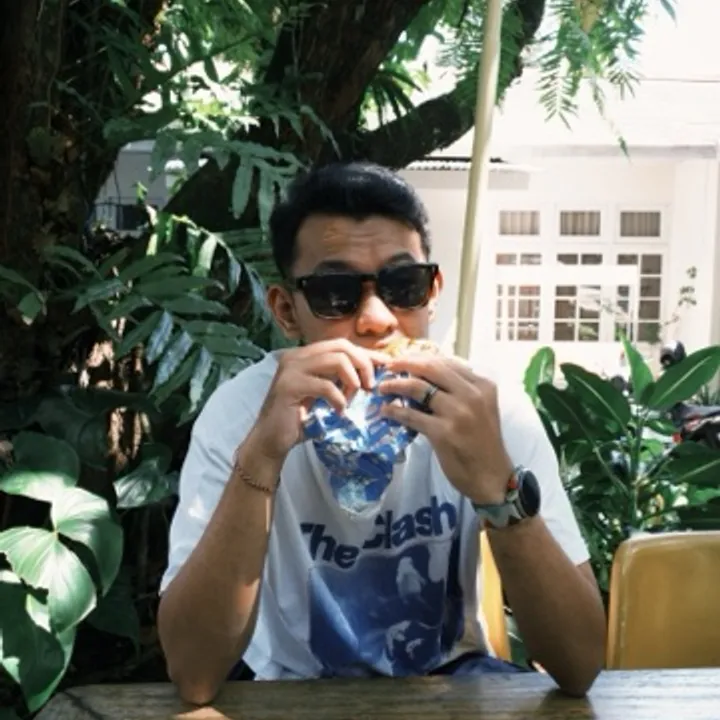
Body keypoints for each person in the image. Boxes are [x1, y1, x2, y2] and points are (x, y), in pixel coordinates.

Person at [157, 162, 606, 704]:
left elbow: (579, 665)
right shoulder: (242, 415)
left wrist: (498, 486)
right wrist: (260, 460)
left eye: (403, 286)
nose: (376, 319)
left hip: (452, 689)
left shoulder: (486, 409)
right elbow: (195, 674)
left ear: (432, 292)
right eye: (336, 293)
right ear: (286, 311)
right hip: (293, 695)